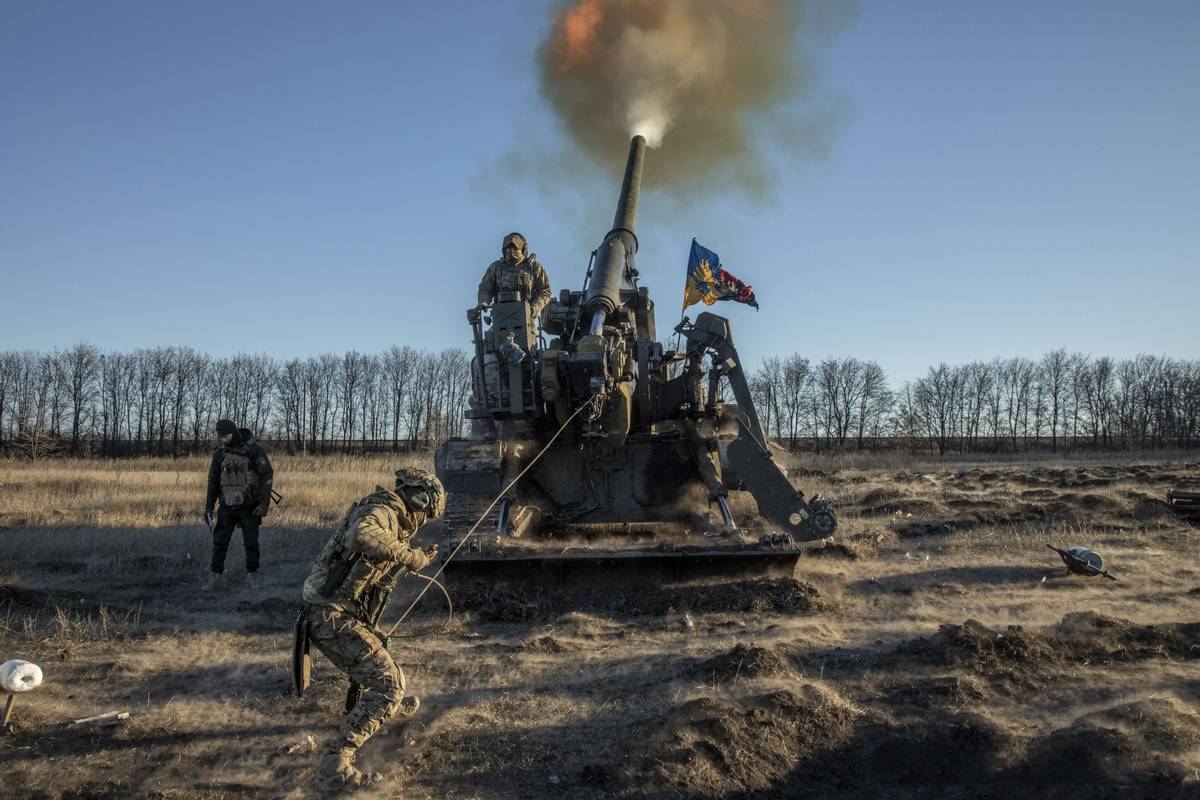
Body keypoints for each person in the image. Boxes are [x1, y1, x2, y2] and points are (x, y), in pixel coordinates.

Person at [299, 468, 444, 791]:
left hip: (339, 614)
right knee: (389, 686)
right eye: (427, 514)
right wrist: (410, 557)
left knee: (389, 668)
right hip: (330, 617)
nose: (423, 522)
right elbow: (361, 535)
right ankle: (334, 765)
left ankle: (380, 714)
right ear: (420, 500)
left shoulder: (388, 514)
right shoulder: (381, 511)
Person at [203, 419, 273, 589]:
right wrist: (208, 507)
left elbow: (267, 475)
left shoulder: (253, 449)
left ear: (233, 432)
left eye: (225, 436)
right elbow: (213, 481)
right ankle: (215, 577)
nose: (223, 440)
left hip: (249, 505)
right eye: (220, 437)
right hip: (226, 506)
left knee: (251, 542)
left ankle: (252, 576)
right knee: (219, 542)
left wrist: (264, 504)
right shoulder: (220, 454)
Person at [469, 232, 552, 325]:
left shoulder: (534, 268)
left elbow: (545, 291)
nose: (510, 251)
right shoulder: (496, 267)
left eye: (515, 248)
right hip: (500, 320)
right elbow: (485, 289)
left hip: (526, 322)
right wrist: (483, 303)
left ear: (523, 249)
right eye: (507, 248)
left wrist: (533, 308)